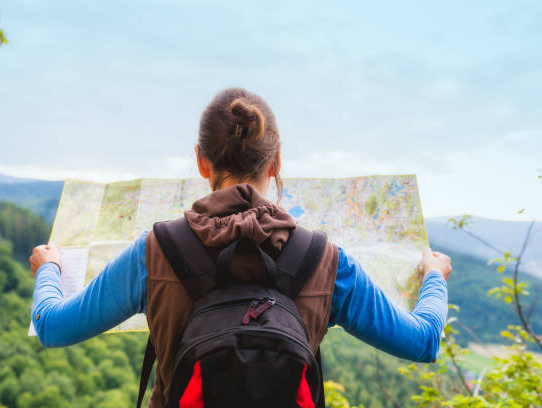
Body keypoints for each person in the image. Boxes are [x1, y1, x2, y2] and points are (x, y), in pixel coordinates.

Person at [29, 88, 451, 407]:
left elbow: (52, 326)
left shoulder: (154, 252)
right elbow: (423, 341)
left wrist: (49, 267)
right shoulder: (327, 261)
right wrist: (433, 275)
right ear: (277, 162)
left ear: (201, 161)